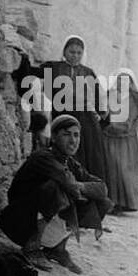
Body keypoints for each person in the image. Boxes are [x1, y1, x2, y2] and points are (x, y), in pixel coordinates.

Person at [0, 115, 113, 274]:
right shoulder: (43, 157)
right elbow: (68, 184)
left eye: (76, 135)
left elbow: (102, 188)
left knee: (102, 202)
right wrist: (78, 188)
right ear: (53, 137)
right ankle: (31, 248)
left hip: (35, 218)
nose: (73, 141)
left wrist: (80, 186)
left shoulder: (70, 162)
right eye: (66, 134)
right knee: (55, 189)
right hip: (19, 221)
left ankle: (57, 249)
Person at [44, 35, 108, 180]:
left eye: (79, 53)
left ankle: (86, 187)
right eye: (72, 52)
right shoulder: (53, 67)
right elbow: (43, 86)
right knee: (64, 148)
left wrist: (100, 113)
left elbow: (97, 93)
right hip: (61, 113)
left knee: (87, 153)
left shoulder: (87, 72)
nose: (75, 56)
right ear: (64, 51)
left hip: (85, 118)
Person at [101, 68, 138, 212]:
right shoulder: (109, 95)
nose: (122, 82)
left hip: (127, 140)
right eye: (120, 79)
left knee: (125, 170)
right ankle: (110, 204)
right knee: (110, 170)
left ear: (131, 82)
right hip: (108, 138)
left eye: (126, 80)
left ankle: (126, 204)